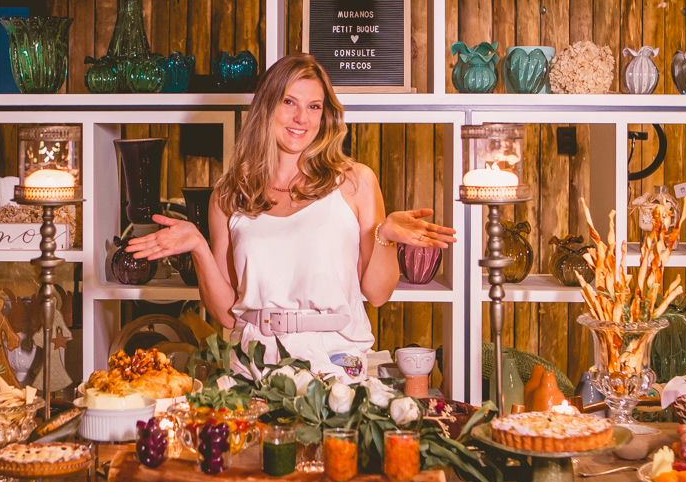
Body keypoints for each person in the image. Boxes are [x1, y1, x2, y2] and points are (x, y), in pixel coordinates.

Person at [127, 54, 455, 377]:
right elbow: (226, 315)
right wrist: (199, 247)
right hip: (252, 367)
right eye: (289, 102)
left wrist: (384, 235)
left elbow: (378, 295)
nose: (301, 118)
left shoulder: (356, 182)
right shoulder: (230, 195)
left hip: (338, 366)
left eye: (314, 106)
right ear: (266, 106)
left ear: (325, 115)